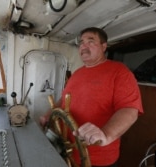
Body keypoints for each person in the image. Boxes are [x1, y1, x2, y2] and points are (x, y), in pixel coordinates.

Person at [40, 27, 143, 167]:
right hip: (68, 152)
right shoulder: (77, 74)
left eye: (91, 41)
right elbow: (64, 100)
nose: (84, 46)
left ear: (104, 46)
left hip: (98, 159)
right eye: (81, 42)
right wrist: (48, 115)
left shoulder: (120, 72)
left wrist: (106, 134)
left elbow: (130, 110)